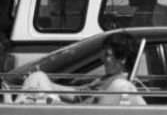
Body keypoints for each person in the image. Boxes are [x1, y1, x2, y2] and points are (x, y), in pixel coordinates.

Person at [18, 31, 146, 105]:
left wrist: (51, 97)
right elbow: (78, 95)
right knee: (38, 77)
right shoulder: (106, 79)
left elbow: (94, 114)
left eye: (108, 55)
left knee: (36, 86)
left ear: (122, 59)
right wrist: (48, 84)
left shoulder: (119, 86)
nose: (102, 59)